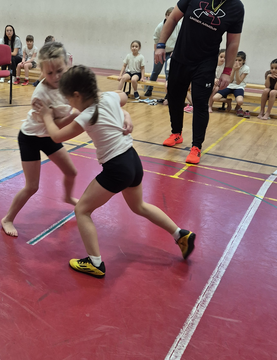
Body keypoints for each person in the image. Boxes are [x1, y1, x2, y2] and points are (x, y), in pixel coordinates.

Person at [35, 65, 195, 277]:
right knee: (139, 206)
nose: (69, 104)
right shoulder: (108, 97)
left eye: (69, 99)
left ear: (77, 95)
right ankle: (180, 234)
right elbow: (123, 96)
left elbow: (56, 136)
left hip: (117, 167)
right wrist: (125, 114)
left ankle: (94, 262)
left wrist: (47, 116)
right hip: (132, 160)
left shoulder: (87, 116)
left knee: (82, 210)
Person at [156, 0, 246, 165]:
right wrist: (161, 45)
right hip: (180, 57)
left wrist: (227, 71)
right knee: (174, 97)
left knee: (200, 103)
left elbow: (233, 43)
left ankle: (196, 146)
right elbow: (173, 18)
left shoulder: (236, 8)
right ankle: (176, 133)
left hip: (205, 63)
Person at [1, 42, 78, 238]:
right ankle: (7, 218)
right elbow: (56, 125)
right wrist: (75, 116)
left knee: (71, 171)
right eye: (50, 73)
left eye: (60, 71)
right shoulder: (40, 95)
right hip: (31, 138)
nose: (56, 76)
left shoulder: (69, 82)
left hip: (49, 136)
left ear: (67, 64)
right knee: (32, 186)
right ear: (42, 71)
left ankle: (68, 197)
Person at [144, 8, 181, 98]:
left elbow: (180, 40)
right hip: (161, 51)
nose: (171, 17)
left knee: (168, 72)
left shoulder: (179, 25)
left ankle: (168, 94)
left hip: (172, 52)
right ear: (166, 16)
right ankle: (149, 89)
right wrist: (156, 52)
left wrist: (175, 52)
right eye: (169, 15)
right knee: (155, 71)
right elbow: (156, 40)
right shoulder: (160, 26)